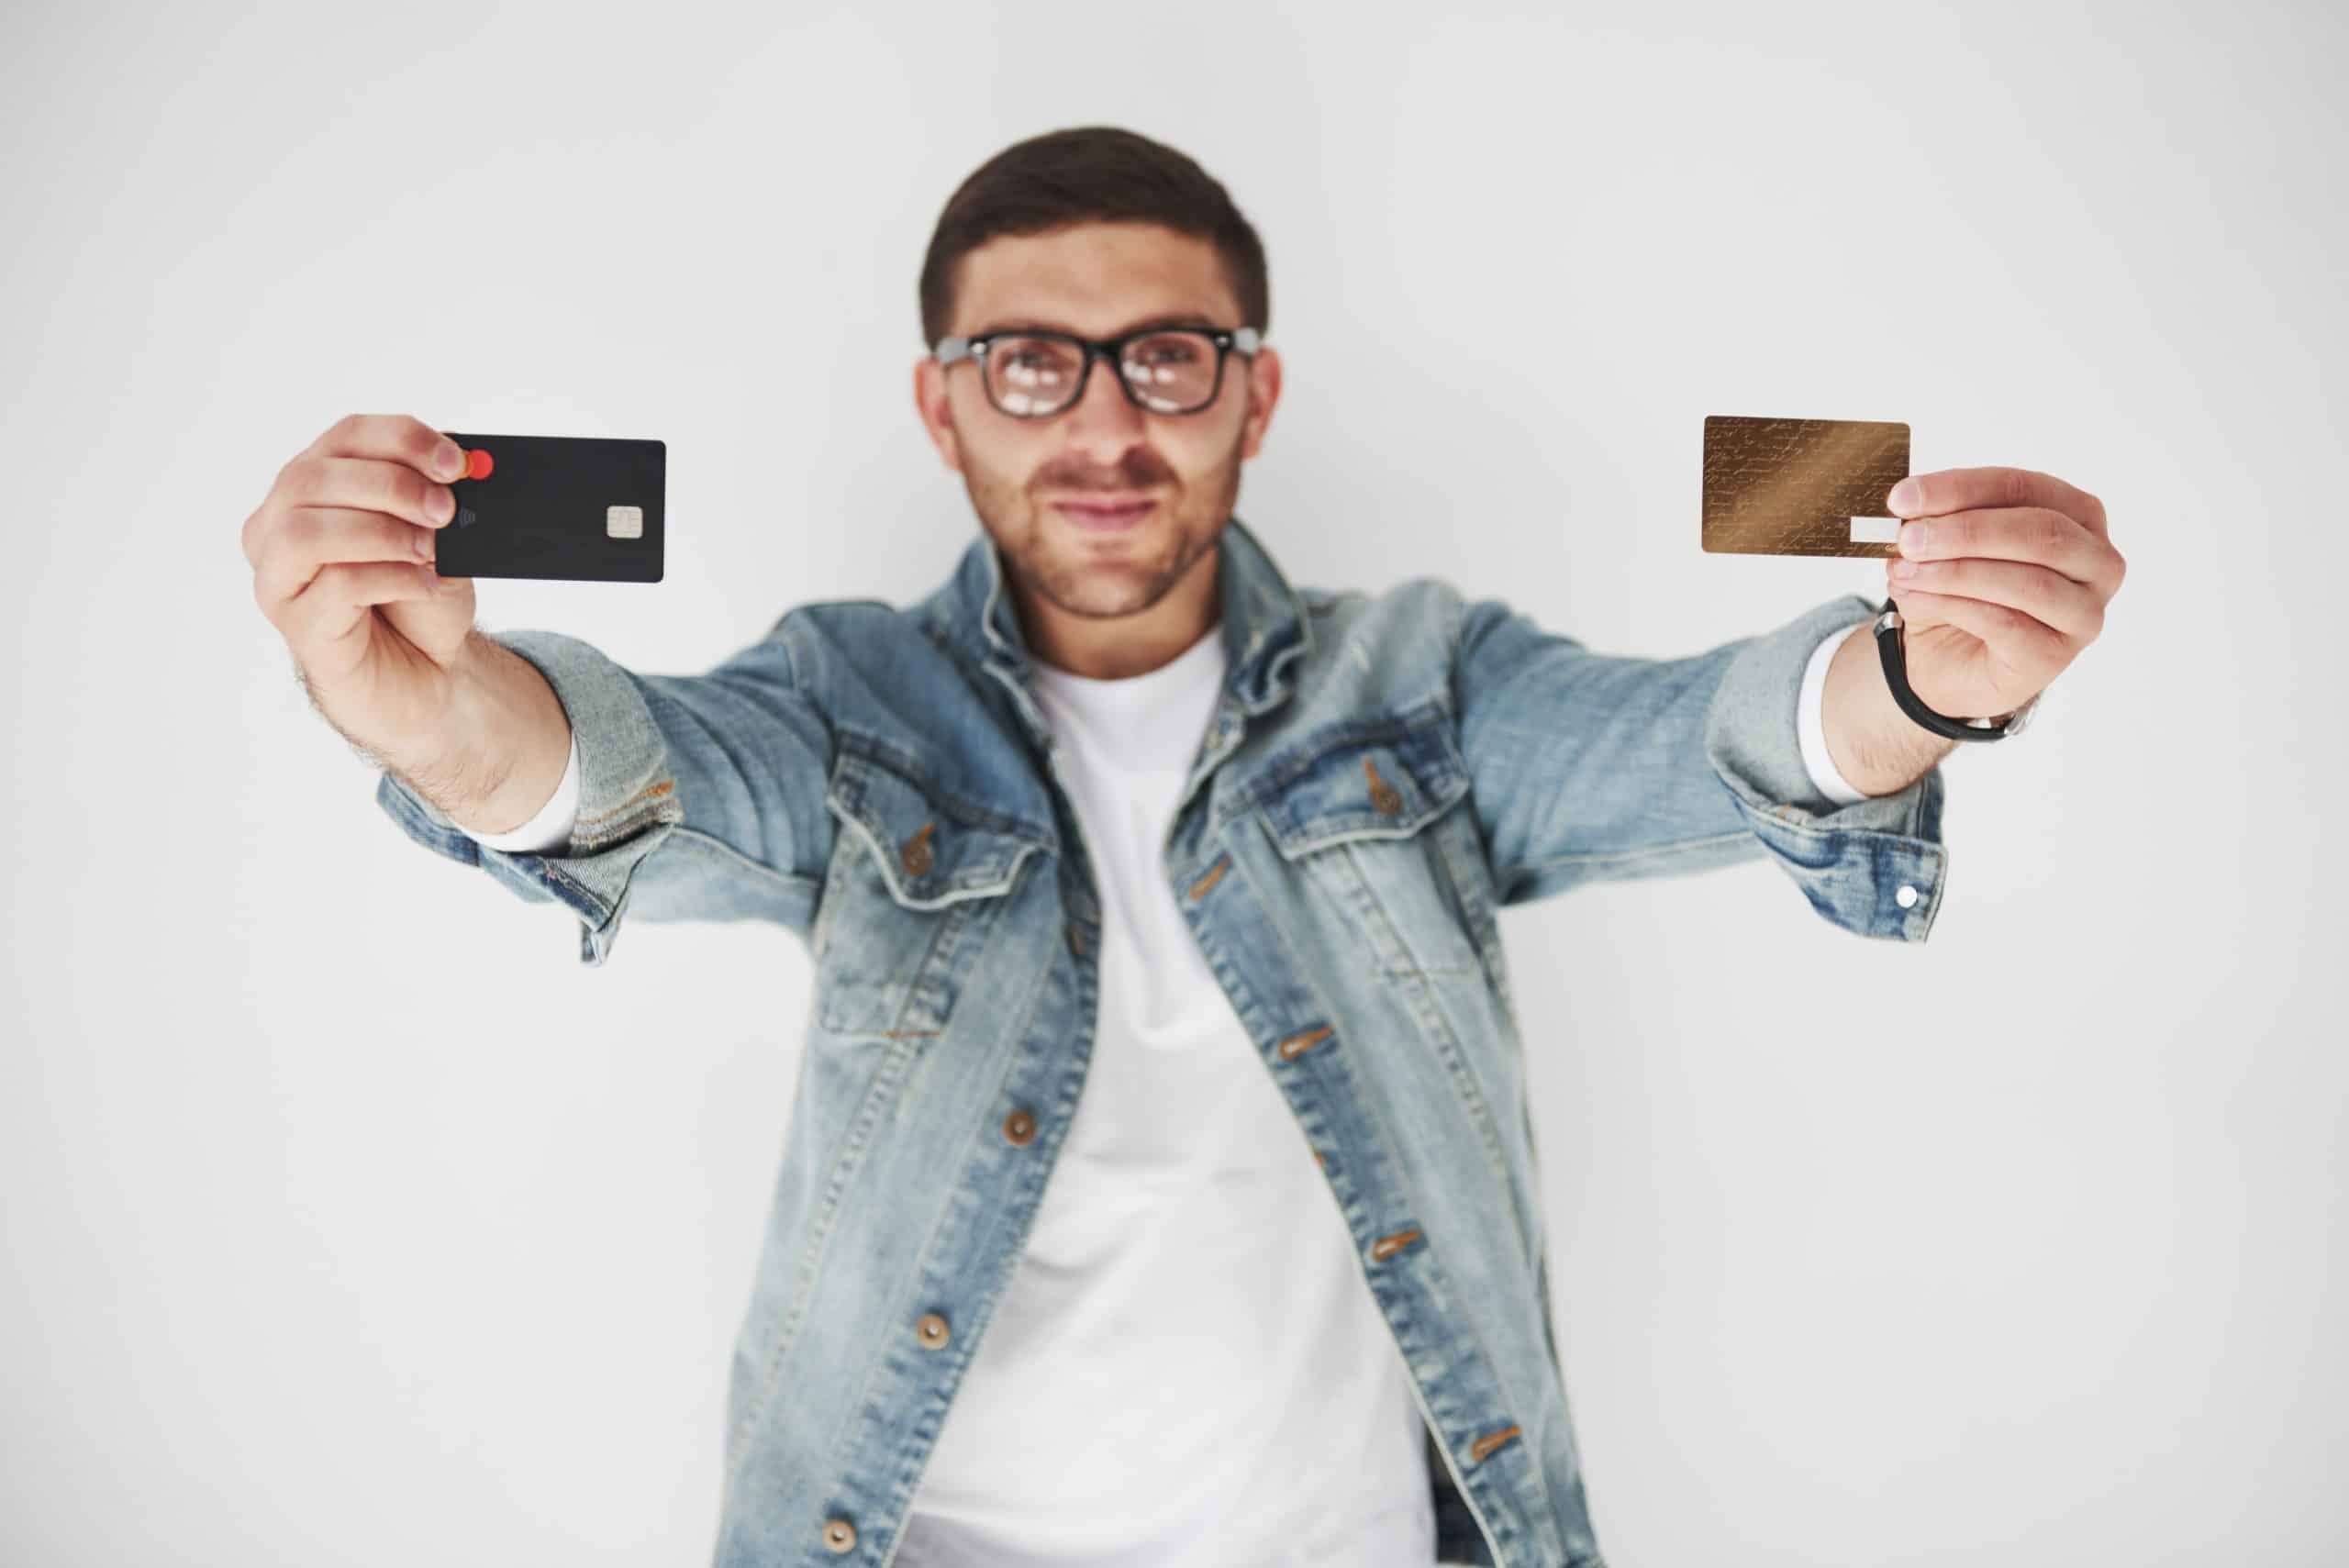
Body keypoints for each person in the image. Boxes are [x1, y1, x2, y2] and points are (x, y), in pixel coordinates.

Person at [243, 125, 2122, 1568]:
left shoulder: (1425, 682)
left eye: (1162, 357)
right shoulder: (854, 700)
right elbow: (633, 776)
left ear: (1252, 387)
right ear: (942, 405)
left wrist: (1915, 681)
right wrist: (440, 720)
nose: (1104, 425)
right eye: (1028, 365)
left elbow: (1697, 742)